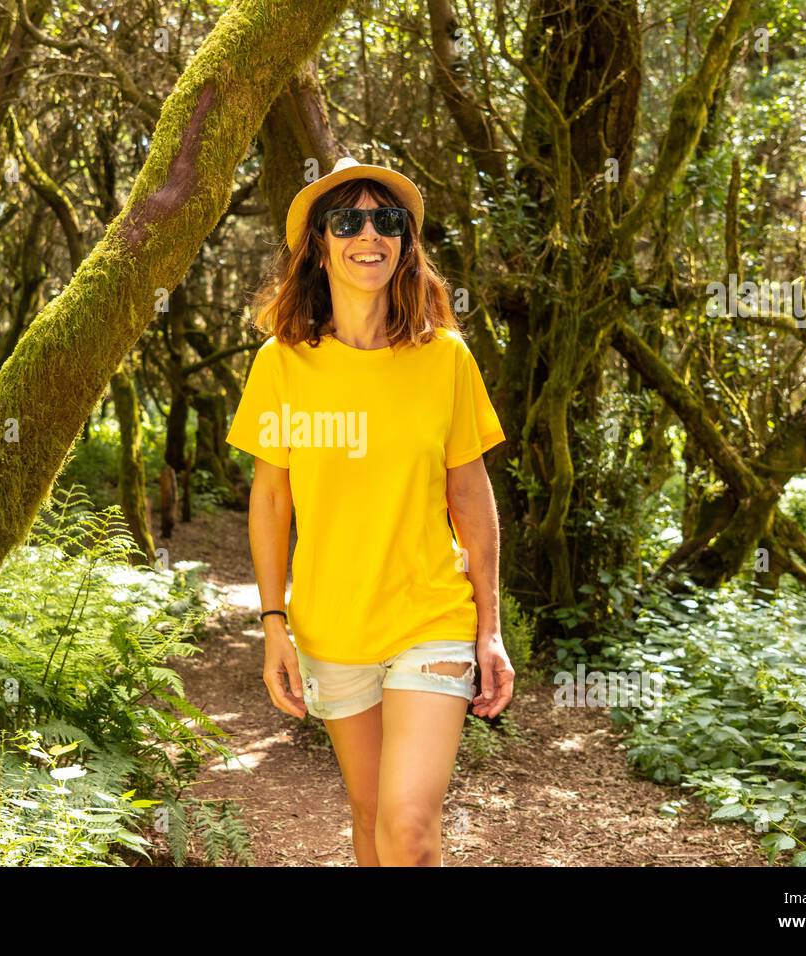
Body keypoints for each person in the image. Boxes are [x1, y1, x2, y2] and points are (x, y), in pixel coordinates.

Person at [224, 155, 514, 866]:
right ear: (320, 247)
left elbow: (471, 496)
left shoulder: (444, 358)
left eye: (386, 220)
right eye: (346, 220)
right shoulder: (282, 363)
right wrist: (273, 626)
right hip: (333, 625)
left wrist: (490, 628)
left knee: (410, 829)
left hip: (429, 616)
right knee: (370, 814)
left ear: (406, 243)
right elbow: (270, 499)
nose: (368, 235)